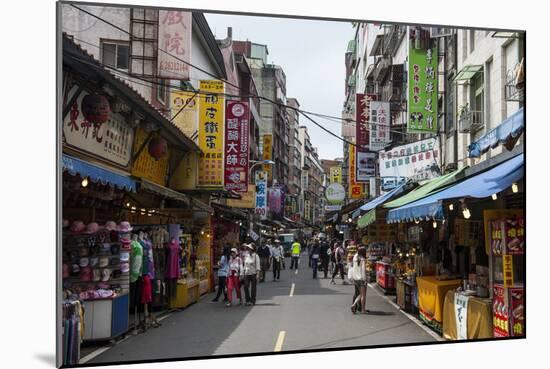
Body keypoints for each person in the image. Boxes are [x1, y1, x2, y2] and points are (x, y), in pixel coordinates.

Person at [350, 247, 369, 314]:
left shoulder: (355, 257)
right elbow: (363, 271)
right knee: (363, 295)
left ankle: (354, 305)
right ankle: (362, 309)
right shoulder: (363, 260)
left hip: (355, 278)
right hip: (361, 279)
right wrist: (365, 279)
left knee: (360, 294)